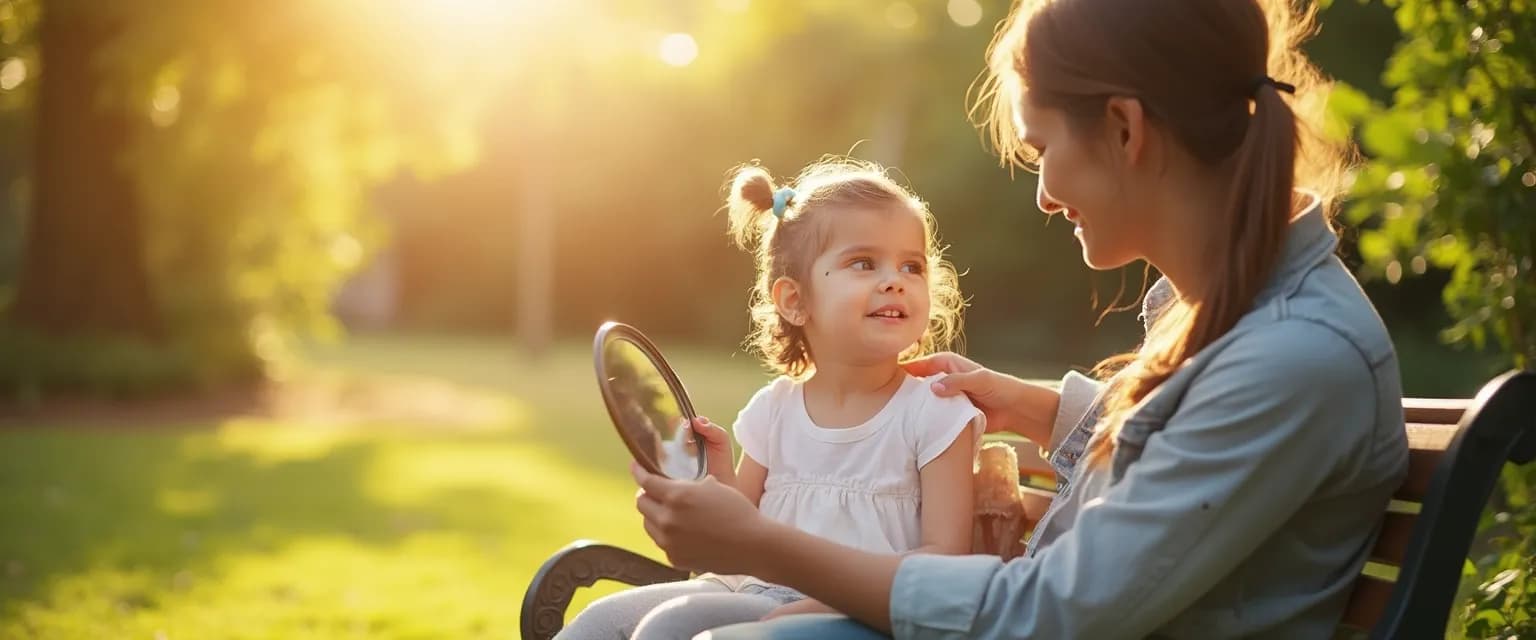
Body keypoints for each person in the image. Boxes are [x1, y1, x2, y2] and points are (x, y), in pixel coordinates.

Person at [628, 0, 1409, 637]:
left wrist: (757, 543)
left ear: (1126, 129)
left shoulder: (1289, 357)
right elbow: (1178, 451)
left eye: (1041, 153)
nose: (1043, 195)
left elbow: (1041, 616)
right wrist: (1035, 407)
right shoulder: (1232, 317)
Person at [557, 159, 984, 640]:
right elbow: (738, 530)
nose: (895, 279)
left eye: (912, 265)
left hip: (859, 612)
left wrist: (823, 601)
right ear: (794, 301)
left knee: (669, 628)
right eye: (863, 263)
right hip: (750, 589)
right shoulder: (775, 408)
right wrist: (715, 478)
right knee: (596, 625)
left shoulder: (934, 410)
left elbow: (945, 563)